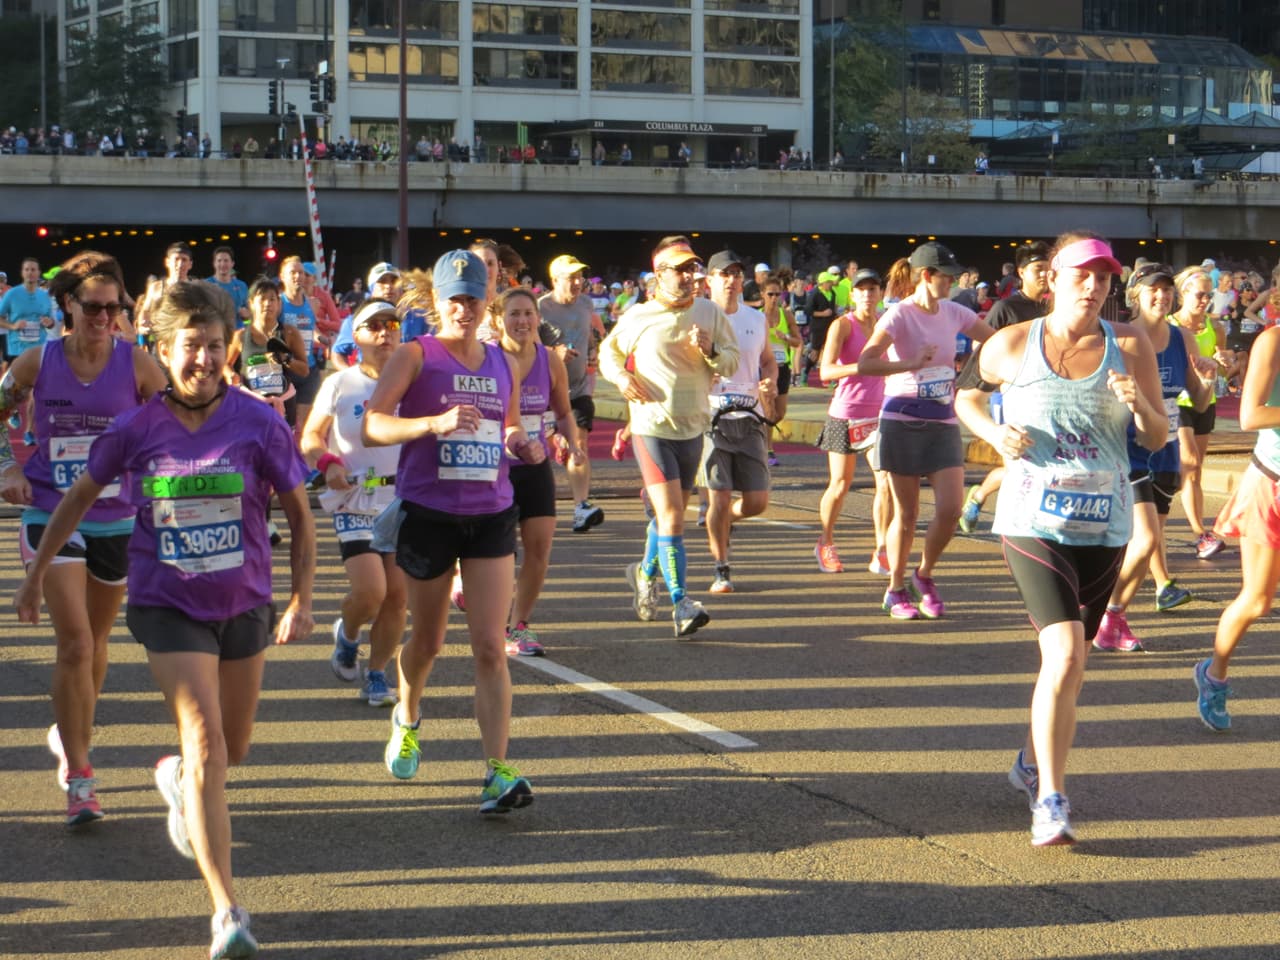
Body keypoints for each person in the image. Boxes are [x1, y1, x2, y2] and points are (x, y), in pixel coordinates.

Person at [16, 280, 315, 958]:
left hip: (244, 604)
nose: (204, 360)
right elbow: (74, 500)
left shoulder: (258, 422)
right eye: (190, 347)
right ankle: (227, 909)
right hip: (168, 604)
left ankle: (179, 781)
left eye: (214, 347)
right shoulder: (136, 428)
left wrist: (301, 599)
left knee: (230, 751)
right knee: (207, 741)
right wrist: (36, 572)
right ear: (163, 349)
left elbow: (300, 516)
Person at [955, 231, 1164, 846]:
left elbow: (1154, 437)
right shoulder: (1012, 343)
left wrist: (1139, 406)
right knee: (1067, 651)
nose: (1095, 287)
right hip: (1031, 518)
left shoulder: (1130, 345)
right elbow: (966, 396)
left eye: (1104, 278)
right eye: (1082, 275)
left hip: (1105, 522)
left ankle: (1027, 761)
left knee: (1071, 668)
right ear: (1053, 277)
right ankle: (1050, 798)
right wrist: (993, 437)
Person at [361, 249, 544, 813]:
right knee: (430, 641)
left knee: (491, 646)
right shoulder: (417, 355)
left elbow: (508, 422)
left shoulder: (500, 362)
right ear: (437, 303)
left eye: (473, 298)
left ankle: (496, 771)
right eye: (455, 299)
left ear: (486, 299)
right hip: (430, 515)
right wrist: (432, 423)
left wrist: (520, 442)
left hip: (491, 513)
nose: (465, 309)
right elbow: (372, 425)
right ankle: (408, 712)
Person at [3, 251, 167, 826]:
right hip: (49, 513)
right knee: (74, 644)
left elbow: (174, 423)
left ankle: (69, 731)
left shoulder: (139, 366)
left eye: (114, 306)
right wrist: (12, 468)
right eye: (92, 306)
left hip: (116, 519)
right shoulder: (35, 362)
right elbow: (0, 409)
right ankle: (80, 774)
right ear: (67, 304)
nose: (104, 316)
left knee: (96, 646)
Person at [599, 236, 740, 638]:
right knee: (673, 514)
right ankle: (681, 601)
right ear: (659, 274)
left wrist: (712, 350)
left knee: (666, 515)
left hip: (692, 426)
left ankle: (644, 573)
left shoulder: (709, 312)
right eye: (679, 269)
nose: (688, 276)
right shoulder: (639, 315)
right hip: (651, 426)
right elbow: (609, 352)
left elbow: (732, 358)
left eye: (691, 268)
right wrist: (623, 376)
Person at [856, 242, 995, 620]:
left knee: (950, 509)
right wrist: (909, 363)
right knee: (907, 512)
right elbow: (866, 362)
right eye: (947, 276)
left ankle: (925, 573)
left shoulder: (954, 311)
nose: (953, 281)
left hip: (942, 418)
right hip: (902, 418)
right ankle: (895, 588)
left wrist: (986, 369)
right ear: (926, 276)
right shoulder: (899, 316)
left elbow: (994, 339)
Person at [1093, 262, 1217, 653]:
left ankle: (1112, 617)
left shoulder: (1184, 339)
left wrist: (1208, 382)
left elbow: (1195, 399)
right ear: (1135, 295)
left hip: (1166, 448)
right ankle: (1102, 612)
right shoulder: (1119, 337)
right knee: (1144, 539)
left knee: (1149, 540)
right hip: (1127, 447)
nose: (1161, 295)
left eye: (1166, 289)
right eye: (1152, 289)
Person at [301, 299, 406, 705]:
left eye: (391, 325)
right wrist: (327, 462)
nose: (384, 333)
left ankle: (376, 674)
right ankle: (347, 634)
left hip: (400, 498)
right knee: (371, 592)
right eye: (373, 326)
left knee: (397, 596)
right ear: (356, 336)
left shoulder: (413, 381)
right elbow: (311, 436)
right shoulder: (340, 384)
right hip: (355, 497)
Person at [1194, 319, 1280, 730]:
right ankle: (1215, 674)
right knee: (1258, 600)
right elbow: (1250, 415)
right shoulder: (1273, 341)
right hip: (1272, 483)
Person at [494, 286, 584, 653]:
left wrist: (573, 443)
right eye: (514, 314)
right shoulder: (489, 358)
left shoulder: (549, 359)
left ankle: (518, 626)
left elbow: (562, 412)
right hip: (495, 467)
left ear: (538, 318)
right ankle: (486, 609)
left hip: (535, 464)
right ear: (499, 320)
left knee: (539, 547)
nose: (522, 321)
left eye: (528, 314)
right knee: (498, 551)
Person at [958, 241, 1052, 532]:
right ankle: (983, 499)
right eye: (1038, 269)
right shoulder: (1006, 308)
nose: (1045, 276)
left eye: (1049, 270)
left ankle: (982, 494)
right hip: (1007, 397)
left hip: (1047, 398)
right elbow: (981, 348)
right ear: (1021, 272)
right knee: (1018, 463)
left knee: (1041, 464)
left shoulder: (1057, 308)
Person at [702, 250, 778, 593]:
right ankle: (722, 568)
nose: (732, 281)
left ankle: (723, 520)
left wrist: (770, 381)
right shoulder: (698, 317)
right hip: (712, 417)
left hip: (749, 418)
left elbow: (767, 360)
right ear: (709, 282)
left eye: (736, 274)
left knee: (757, 501)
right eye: (724, 274)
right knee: (718, 497)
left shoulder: (755, 318)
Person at [815, 268, 890, 575]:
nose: (868, 295)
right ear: (853, 294)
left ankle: (881, 550)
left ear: (880, 293)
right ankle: (826, 541)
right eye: (862, 290)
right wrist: (861, 367)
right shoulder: (842, 325)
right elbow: (826, 372)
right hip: (846, 413)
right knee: (840, 484)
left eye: (873, 289)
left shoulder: (887, 323)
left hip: (880, 413)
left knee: (885, 482)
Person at [537, 254, 606, 532]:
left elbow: (588, 334)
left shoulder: (586, 303)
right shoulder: (539, 309)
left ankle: (581, 507)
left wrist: (591, 350)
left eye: (579, 277)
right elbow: (526, 348)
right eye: (570, 277)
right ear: (555, 280)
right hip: (545, 390)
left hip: (577, 388)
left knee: (580, 443)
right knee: (533, 450)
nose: (577, 283)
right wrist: (555, 352)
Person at [1171, 266, 1231, 560]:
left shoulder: (1215, 327)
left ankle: (1200, 532)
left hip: (1205, 401)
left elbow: (1225, 369)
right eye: (1199, 294)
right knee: (1190, 461)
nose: (1205, 299)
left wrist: (1225, 362)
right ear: (1184, 293)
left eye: (1209, 294)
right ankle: (1199, 533)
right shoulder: (1169, 325)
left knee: (1194, 470)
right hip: (1176, 401)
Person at [206, 247, 250, 328]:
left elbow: (248, 320)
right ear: (214, 263)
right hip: (214, 334)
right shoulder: (205, 285)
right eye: (219, 261)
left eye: (226, 261)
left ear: (232, 264)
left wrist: (246, 319)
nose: (222, 264)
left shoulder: (242, 286)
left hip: (237, 335)